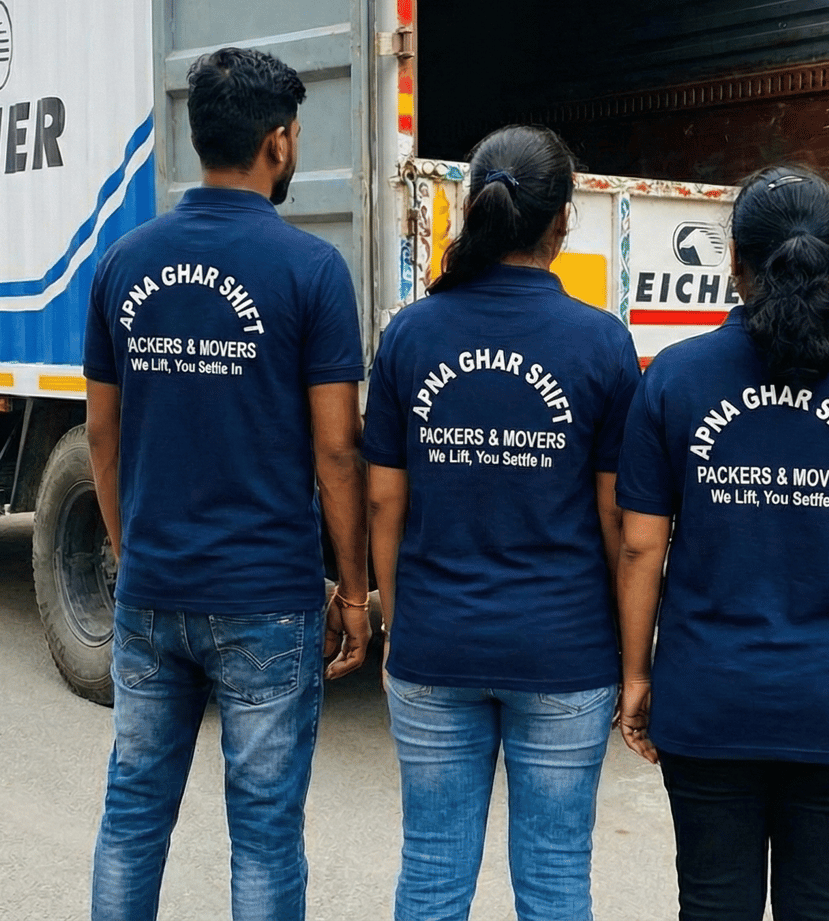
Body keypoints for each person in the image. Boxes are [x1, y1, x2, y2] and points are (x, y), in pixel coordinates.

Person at [84, 46, 373, 921]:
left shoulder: (124, 262)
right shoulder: (312, 271)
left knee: (133, 813)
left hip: (153, 587)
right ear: (278, 142)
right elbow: (336, 453)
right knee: (265, 830)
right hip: (265, 597)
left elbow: (102, 428)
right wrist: (354, 590)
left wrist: (128, 545)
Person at [614, 165, 829, 921]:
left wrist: (636, 675)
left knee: (713, 904)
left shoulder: (674, 378)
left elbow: (640, 549)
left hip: (708, 699)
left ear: (734, 260)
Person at [363, 125, 640, 921]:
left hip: (436, 644)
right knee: (555, 882)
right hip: (563, 652)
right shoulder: (600, 343)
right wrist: (631, 659)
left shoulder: (412, 335)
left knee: (433, 874)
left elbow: (386, 499)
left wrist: (397, 624)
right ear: (561, 221)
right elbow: (617, 517)